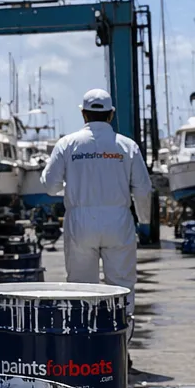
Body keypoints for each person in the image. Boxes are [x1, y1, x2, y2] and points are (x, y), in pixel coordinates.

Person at [41, 89, 152, 308]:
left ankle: (85, 338)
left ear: (83, 114)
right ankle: (121, 336)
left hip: (80, 222)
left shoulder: (67, 144)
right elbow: (143, 189)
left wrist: (71, 186)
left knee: (81, 289)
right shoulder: (127, 146)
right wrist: (144, 220)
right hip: (118, 222)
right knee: (122, 288)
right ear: (111, 114)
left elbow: (50, 186)